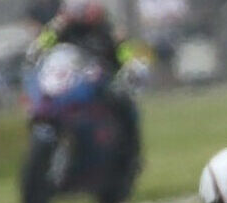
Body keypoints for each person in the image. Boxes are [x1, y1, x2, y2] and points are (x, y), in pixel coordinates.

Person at [29, 0, 148, 170]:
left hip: (98, 84)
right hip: (68, 84)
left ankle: (132, 156)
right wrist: (39, 45)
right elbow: (42, 46)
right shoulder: (62, 28)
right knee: (41, 99)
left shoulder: (109, 30)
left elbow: (124, 52)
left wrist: (130, 64)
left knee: (125, 103)